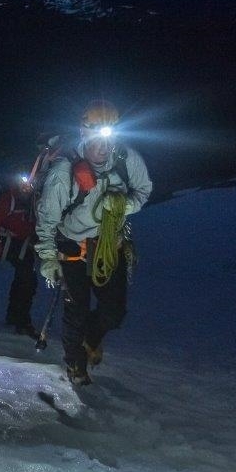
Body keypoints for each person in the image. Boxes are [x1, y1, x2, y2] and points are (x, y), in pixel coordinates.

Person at [34, 100, 152, 385]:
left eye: (109, 138)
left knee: (114, 312)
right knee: (76, 312)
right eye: (97, 138)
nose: (104, 147)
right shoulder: (64, 171)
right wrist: (48, 257)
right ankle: (76, 365)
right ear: (84, 134)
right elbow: (47, 220)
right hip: (74, 249)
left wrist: (123, 206)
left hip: (110, 246)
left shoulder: (127, 159)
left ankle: (90, 339)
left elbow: (143, 191)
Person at [0, 177, 39, 338]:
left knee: (25, 279)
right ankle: (21, 321)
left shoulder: (32, 200)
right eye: (25, 184)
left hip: (23, 243)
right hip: (8, 243)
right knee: (27, 279)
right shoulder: (8, 199)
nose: (27, 187)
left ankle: (15, 316)